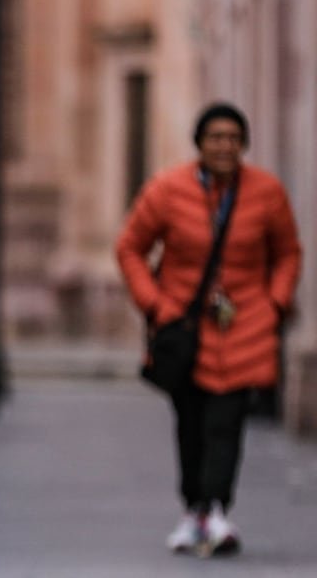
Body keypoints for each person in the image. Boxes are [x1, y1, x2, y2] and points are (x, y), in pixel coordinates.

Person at [115, 103, 302, 557]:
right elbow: (130, 248)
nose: (224, 147)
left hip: (244, 326)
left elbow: (287, 253)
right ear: (199, 144)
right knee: (191, 421)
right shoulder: (167, 190)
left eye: (233, 138)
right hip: (185, 328)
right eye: (216, 138)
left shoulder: (266, 193)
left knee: (227, 421)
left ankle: (215, 507)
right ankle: (193, 508)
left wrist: (274, 303)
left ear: (244, 145)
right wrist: (155, 305)